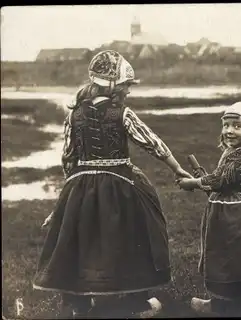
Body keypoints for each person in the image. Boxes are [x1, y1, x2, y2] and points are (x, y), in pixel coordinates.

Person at [32, 50, 193, 318]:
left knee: (80, 240)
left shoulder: (74, 115)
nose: (128, 91)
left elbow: (68, 156)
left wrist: (68, 191)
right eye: (126, 85)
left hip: (80, 186)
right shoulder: (122, 113)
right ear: (112, 85)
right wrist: (177, 169)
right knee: (136, 232)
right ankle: (137, 302)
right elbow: (153, 143)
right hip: (121, 184)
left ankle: (78, 303)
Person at [176, 101, 241, 316]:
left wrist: (194, 183)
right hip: (238, 208)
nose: (229, 131)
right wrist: (205, 180)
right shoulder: (240, 151)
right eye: (226, 125)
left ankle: (221, 304)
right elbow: (221, 180)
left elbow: (220, 180)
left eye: (237, 126)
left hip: (237, 214)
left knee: (228, 257)